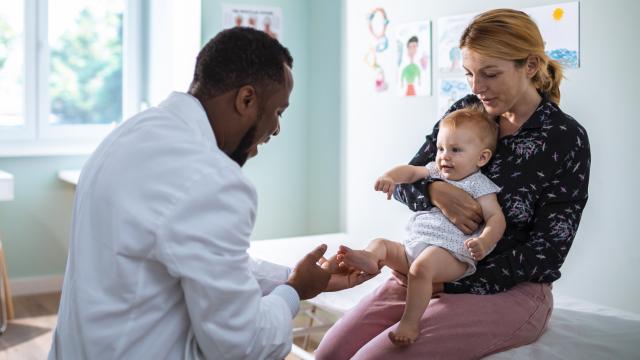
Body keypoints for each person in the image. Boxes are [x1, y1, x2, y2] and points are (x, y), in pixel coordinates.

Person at [48, 27, 372, 360]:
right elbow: (242, 345)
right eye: (278, 112)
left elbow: (198, 259)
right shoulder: (213, 179)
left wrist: (291, 277)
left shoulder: (130, 134)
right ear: (246, 100)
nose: (276, 129)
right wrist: (294, 291)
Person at [316, 8, 590, 359]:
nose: (477, 87)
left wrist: (452, 279)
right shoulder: (467, 110)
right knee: (329, 354)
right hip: (425, 269)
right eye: (469, 74)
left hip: (505, 288)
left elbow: (549, 250)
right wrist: (436, 191)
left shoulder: (564, 138)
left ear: (531, 66)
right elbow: (408, 178)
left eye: (490, 74)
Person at [330, 107, 506, 346]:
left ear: (482, 157)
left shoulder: (480, 185)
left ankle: (410, 322)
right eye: (441, 148)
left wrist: (485, 241)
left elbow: (496, 218)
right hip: (415, 246)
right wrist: (391, 177)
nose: (444, 156)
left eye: (455, 150)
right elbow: (411, 171)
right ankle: (371, 258)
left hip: (451, 252)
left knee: (420, 270)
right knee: (382, 244)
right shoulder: (436, 171)